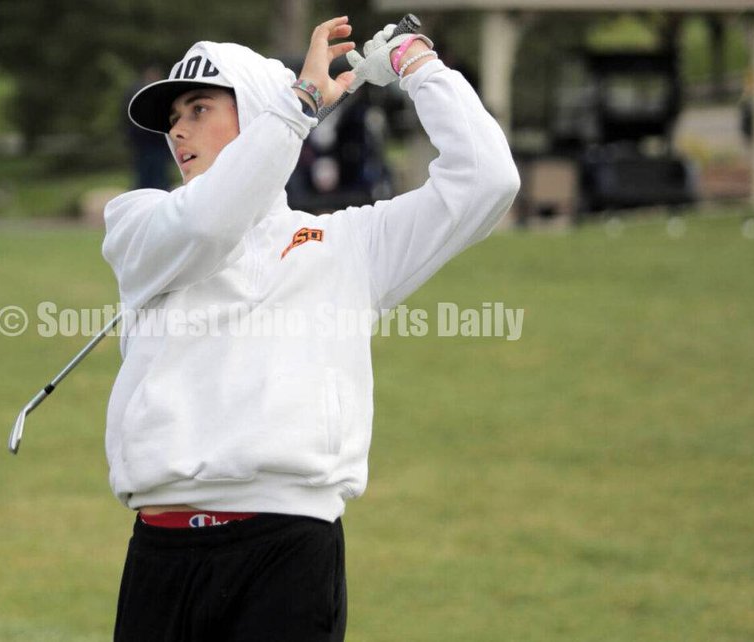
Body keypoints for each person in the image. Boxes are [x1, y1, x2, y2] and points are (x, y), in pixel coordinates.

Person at [101, 16, 519, 641]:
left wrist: (415, 63)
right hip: (162, 555)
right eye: (171, 119)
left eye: (198, 108)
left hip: (288, 552)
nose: (178, 130)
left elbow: (487, 180)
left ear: (258, 110)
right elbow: (210, 226)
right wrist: (299, 108)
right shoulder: (139, 219)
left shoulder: (346, 243)